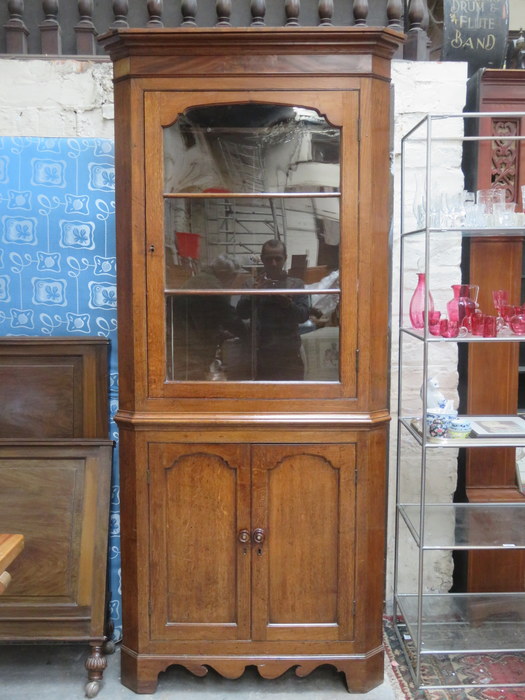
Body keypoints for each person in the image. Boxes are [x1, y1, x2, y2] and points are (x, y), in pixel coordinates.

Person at [237, 239, 309, 380]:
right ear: (262, 259)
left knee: (291, 399)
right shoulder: (252, 284)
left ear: (285, 259)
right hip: (260, 355)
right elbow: (241, 313)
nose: (274, 263)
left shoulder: (295, 284)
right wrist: (254, 294)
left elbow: (303, 316)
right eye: (269, 259)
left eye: (278, 259)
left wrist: (287, 304)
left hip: (289, 354)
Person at [170, 254, 245, 380]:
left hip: (181, 341)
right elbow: (229, 318)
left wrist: (220, 333)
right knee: (194, 383)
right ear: (227, 275)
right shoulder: (214, 287)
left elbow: (203, 314)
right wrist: (248, 332)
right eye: (234, 277)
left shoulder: (199, 279)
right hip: (191, 347)